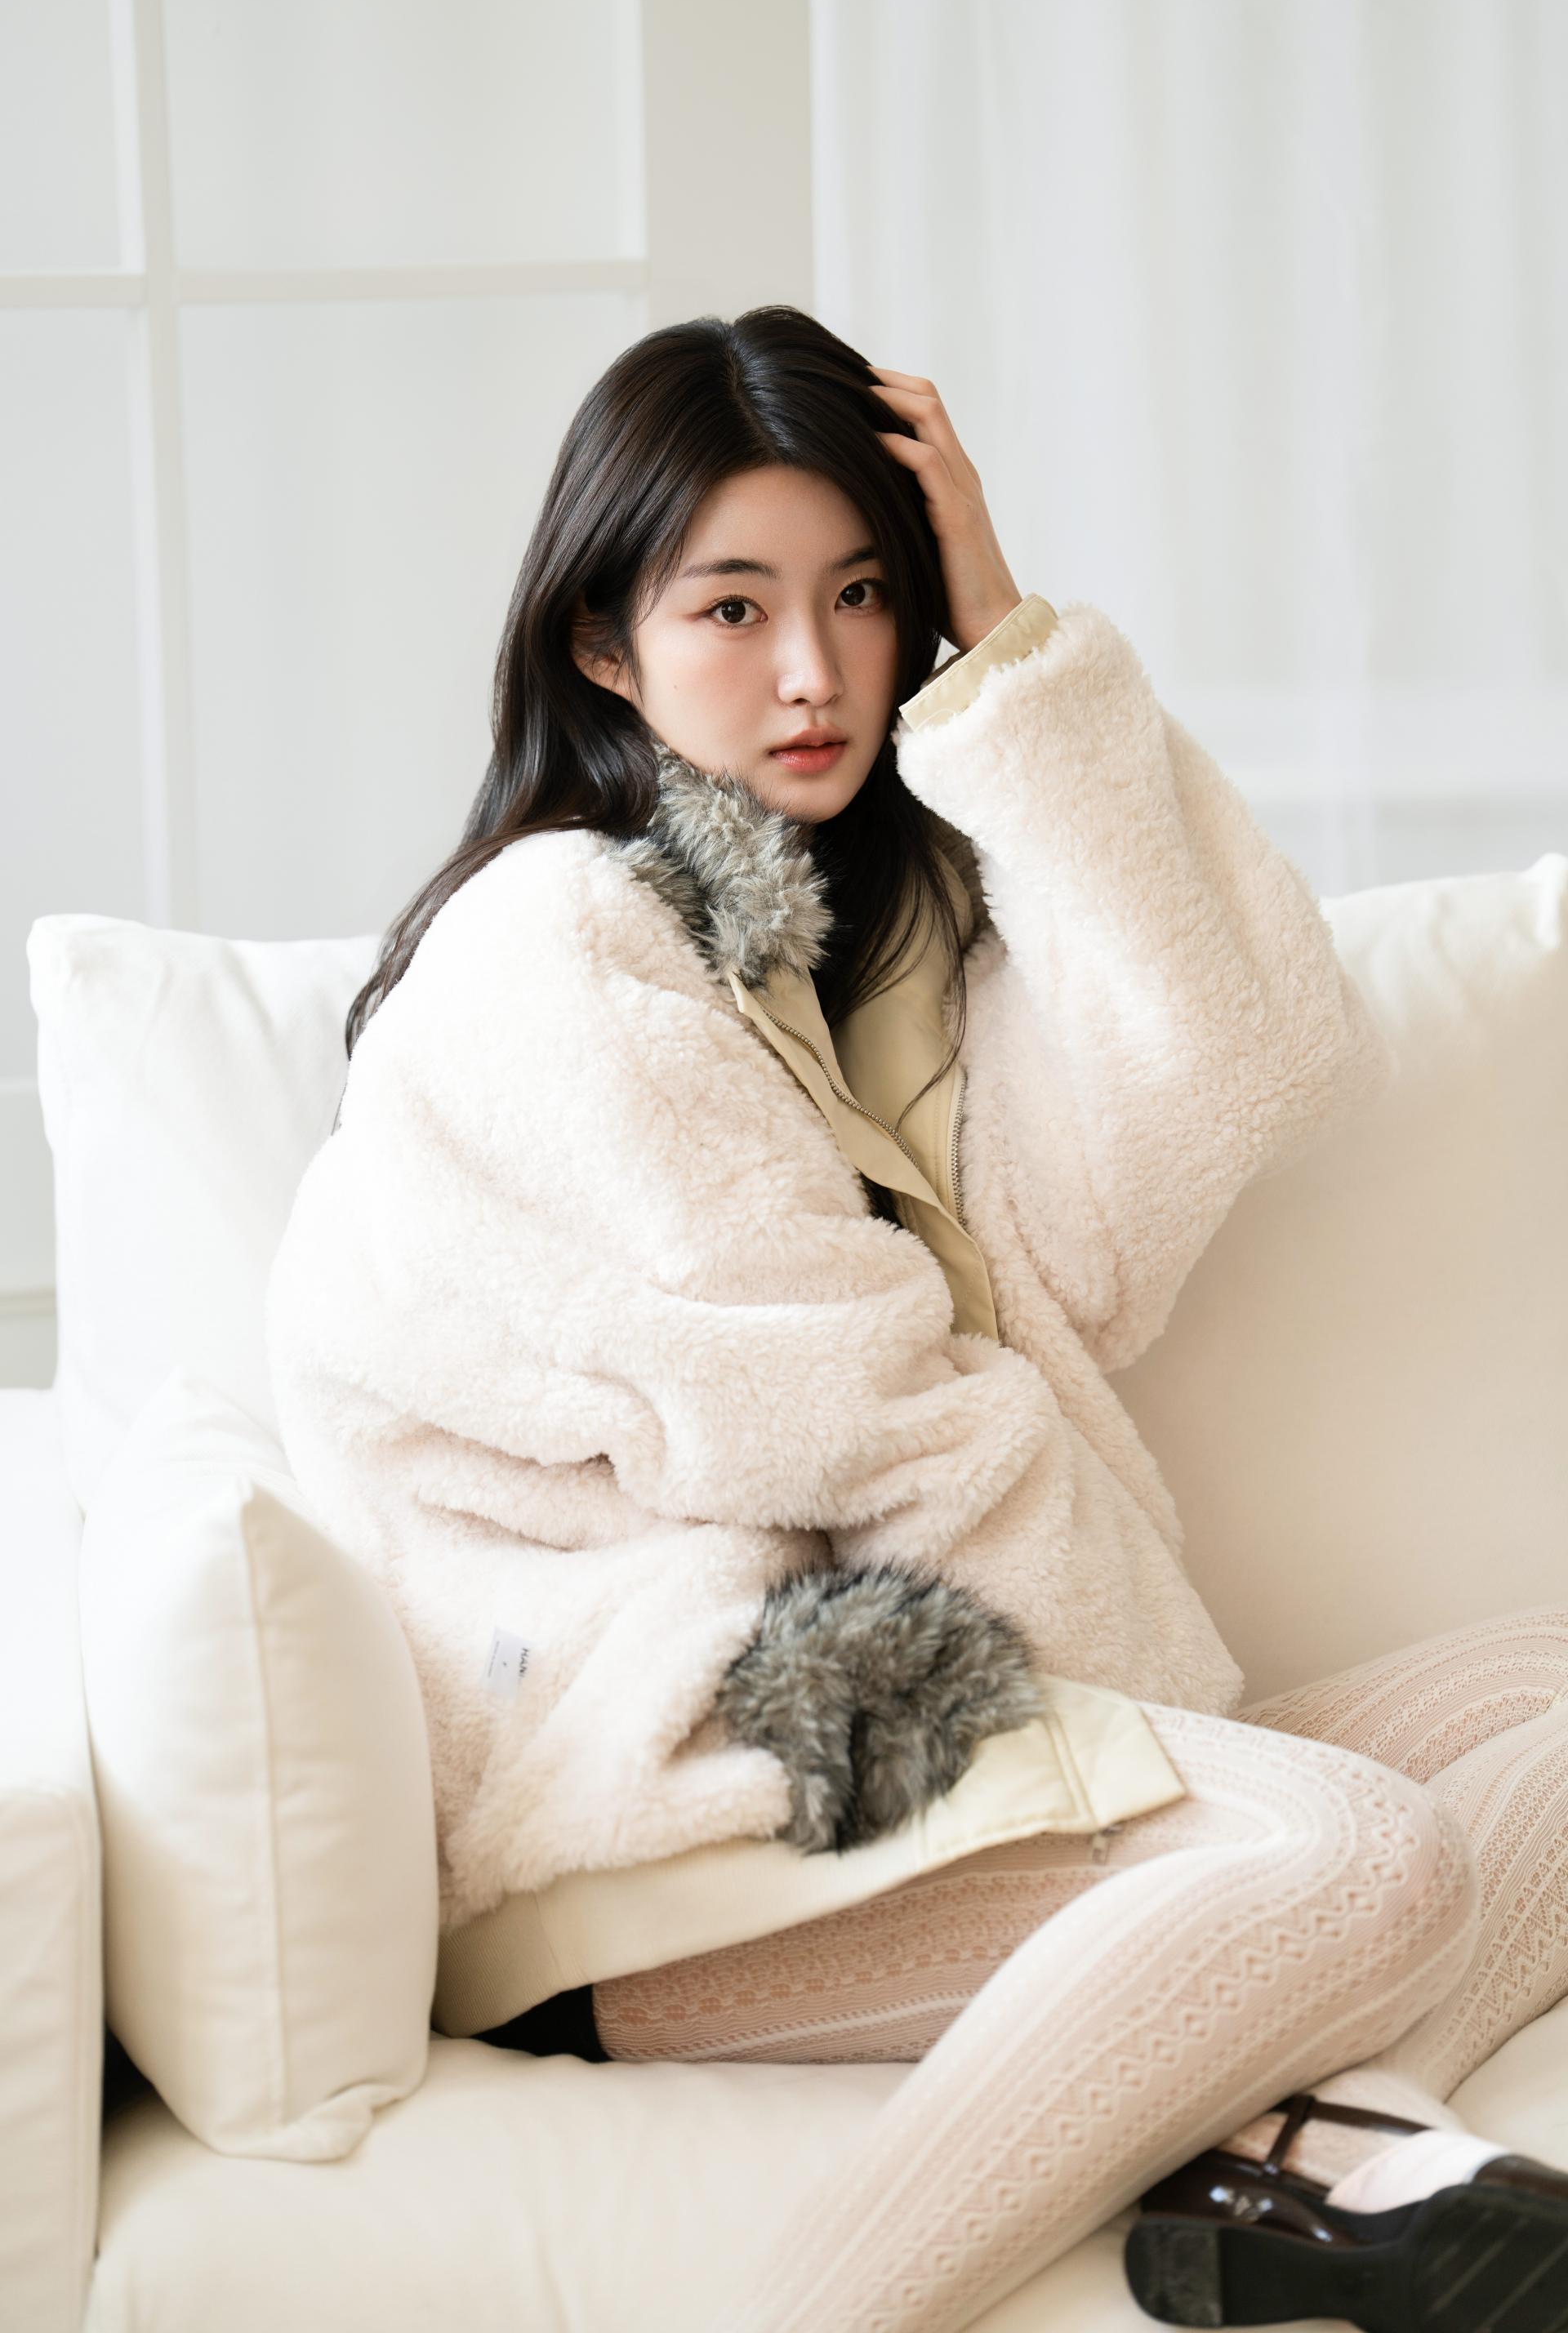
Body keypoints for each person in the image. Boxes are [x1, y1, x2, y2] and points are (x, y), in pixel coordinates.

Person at [265, 305, 1568, 2333]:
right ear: (601, 644)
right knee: (1356, 1857)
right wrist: (1183, 1769)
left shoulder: (861, 959)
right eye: (732, 607)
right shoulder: (560, 947)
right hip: (668, 1824)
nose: (812, 669)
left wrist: (1010, 652)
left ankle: (1276, 2143)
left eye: (864, 594)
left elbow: (1235, 1057)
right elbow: (869, 1426)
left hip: (911, 1767)